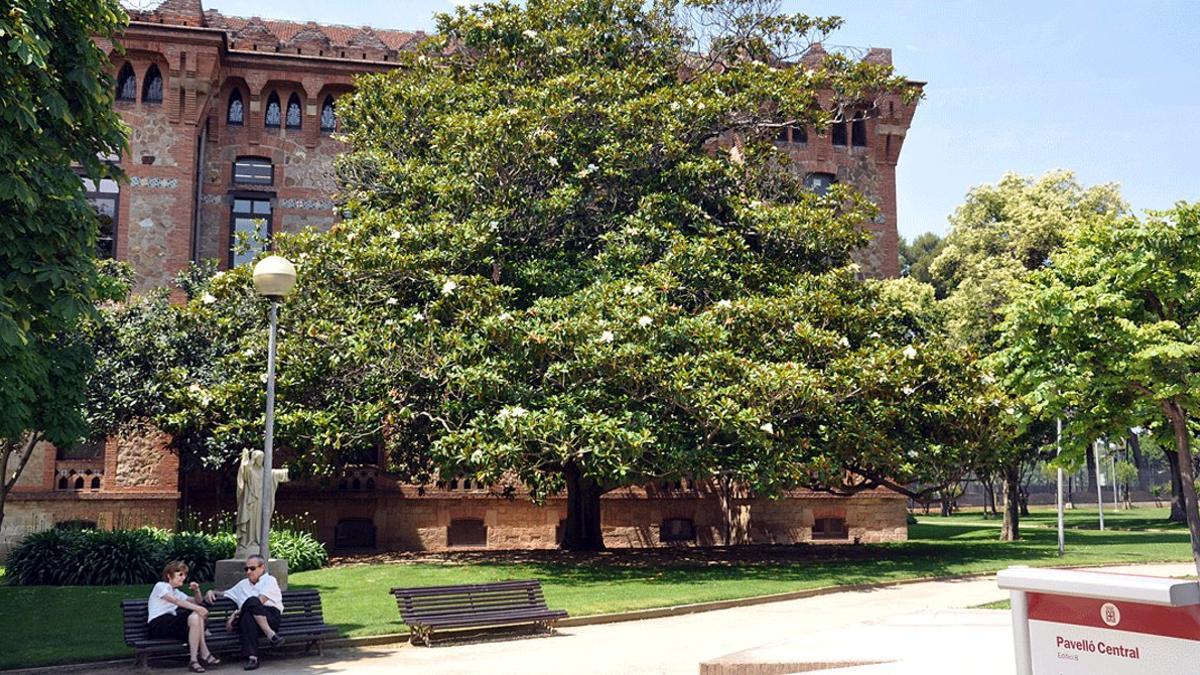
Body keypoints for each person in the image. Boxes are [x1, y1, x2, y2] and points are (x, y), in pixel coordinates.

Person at [205, 555, 284, 671]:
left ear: (262, 568)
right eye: (246, 569)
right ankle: (257, 653)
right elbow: (224, 593)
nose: (248, 572)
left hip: (270, 616)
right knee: (248, 616)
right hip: (250, 622)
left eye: (252, 568)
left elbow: (259, 601)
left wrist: (235, 614)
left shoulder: (270, 580)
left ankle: (267, 636)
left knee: (253, 601)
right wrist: (211, 591)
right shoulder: (242, 584)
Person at [147, 560, 220, 673]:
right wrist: (198, 608)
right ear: (169, 575)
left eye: (185, 575)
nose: (183, 577)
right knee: (196, 613)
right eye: (180, 574)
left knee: (195, 617)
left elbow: (197, 601)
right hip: (157, 625)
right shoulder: (161, 586)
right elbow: (176, 601)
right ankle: (204, 652)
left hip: (171, 624)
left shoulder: (177, 592)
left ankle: (194, 661)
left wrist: (197, 590)